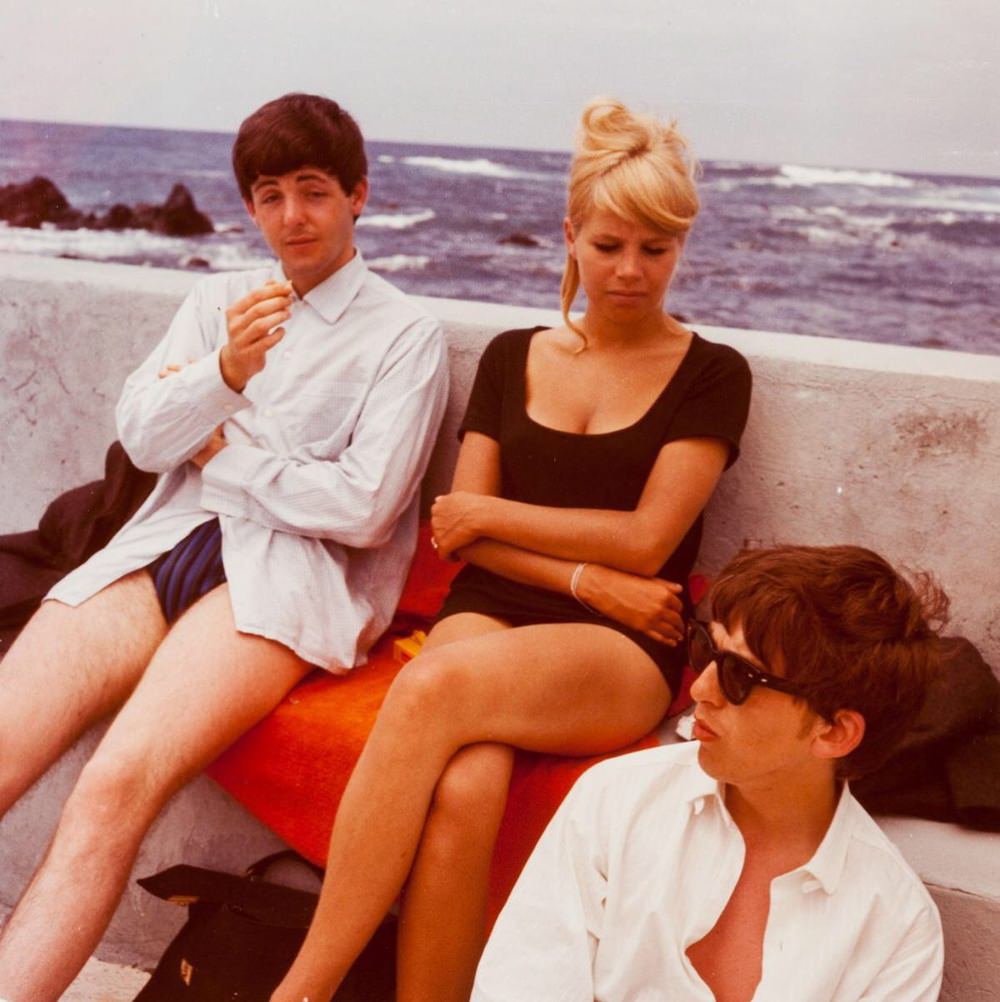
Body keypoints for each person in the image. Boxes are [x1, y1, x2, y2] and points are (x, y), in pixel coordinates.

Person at [272, 98, 752, 1002]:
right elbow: (459, 535)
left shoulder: (713, 373)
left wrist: (512, 526)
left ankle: (301, 990)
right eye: (609, 245)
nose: (631, 271)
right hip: (505, 605)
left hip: (621, 644)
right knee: (463, 788)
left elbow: (649, 540)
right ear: (570, 234)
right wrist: (586, 574)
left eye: (656, 248)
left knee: (431, 688)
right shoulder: (510, 356)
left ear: (682, 246)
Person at [0, 92, 448, 1001]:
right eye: (271, 194)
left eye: (314, 191)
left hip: (286, 584)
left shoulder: (406, 334)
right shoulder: (216, 303)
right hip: (163, 546)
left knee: (113, 790)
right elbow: (145, 434)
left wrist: (230, 457)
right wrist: (225, 374)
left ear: (358, 195)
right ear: (248, 206)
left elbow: (363, 509)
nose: (293, 216)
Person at [472, 544, 948, 1002]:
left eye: (741, 676)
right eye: (706, 650)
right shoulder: (617, 800)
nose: (701, 688)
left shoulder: (895, 925)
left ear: (833, 732)